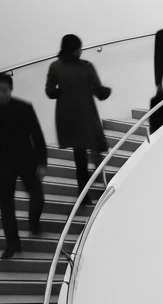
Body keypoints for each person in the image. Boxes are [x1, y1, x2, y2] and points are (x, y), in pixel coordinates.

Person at [0, 74, 47, 259]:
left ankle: (34, 223)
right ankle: (13, 245)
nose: (1, 94)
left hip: (27, 160)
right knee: (6, 206)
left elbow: (37, 135)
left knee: (38, 197)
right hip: (1, 164)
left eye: (4, 90)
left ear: (11, 89)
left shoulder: (24, 107)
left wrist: (42, 163)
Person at [45, 34, 112, 200]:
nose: (81, 51)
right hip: (87, 113)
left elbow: (50, 91)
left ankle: (84, 194)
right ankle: (103, 184)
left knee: (79, 156)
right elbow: (99, 91)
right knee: (97, 147)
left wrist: (63, 91)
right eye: (79, 48)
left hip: (68, 116)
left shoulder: (55, 67)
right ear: (75, 50)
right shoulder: (86, 66)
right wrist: (106, 91)